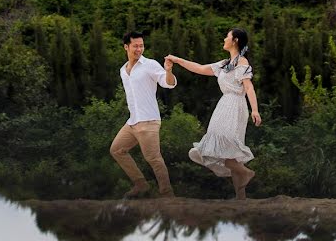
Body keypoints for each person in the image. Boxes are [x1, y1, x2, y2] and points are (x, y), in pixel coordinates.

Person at [165, 28, 261, 200]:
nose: (224, 38)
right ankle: (241, 198)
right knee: (228, 151)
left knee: (222, 145)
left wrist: (255, 109)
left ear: (236, 40)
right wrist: (177, 60)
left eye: (228, 36)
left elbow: (248, 87)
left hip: (234, 105)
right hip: (225, 105)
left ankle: (246, 173)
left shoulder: (242, 63)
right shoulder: (225, 64)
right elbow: (200, 68)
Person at [109, 31, 177, 198]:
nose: (139, 49)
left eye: (141, 46)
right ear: (126, 47)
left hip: (148, 121)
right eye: (135, 46)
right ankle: (141, 184)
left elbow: (168, 84)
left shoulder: (150, 64)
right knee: (117, 150)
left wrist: (168, 71)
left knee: (153, 158)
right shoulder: (123, 71)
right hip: (132, 122)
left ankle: (168, 195)